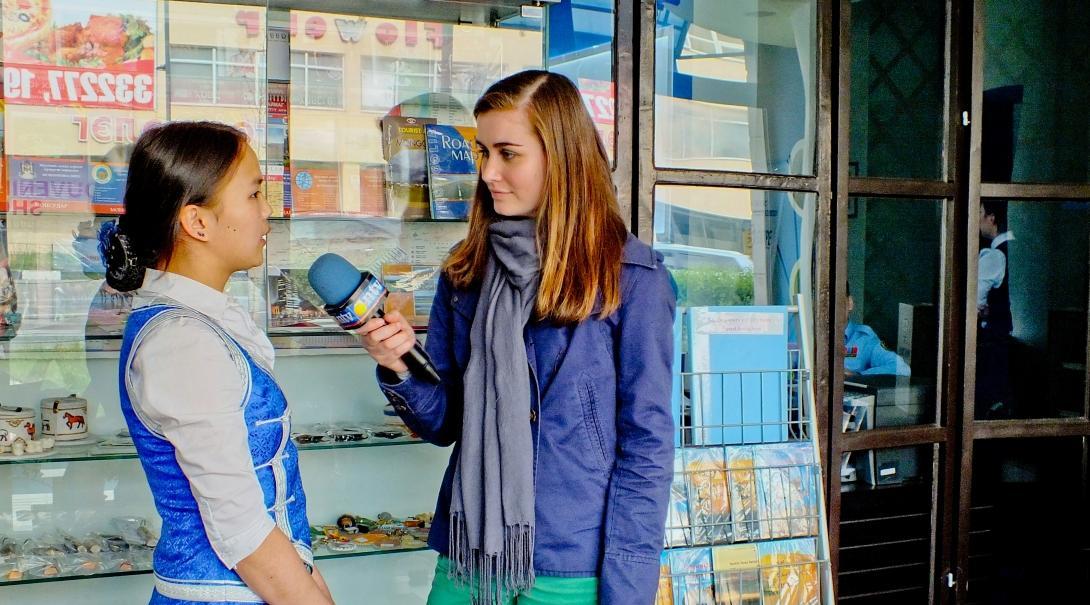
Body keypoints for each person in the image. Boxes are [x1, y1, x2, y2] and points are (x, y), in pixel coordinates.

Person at [357, 70, 676, 605]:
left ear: (563, 156)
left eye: (509, 154)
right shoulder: (467, 271)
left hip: (572, 563)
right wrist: (398, 365)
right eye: (483, 152)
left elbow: (646, 448)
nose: (488, 173)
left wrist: (627, 588)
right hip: (469, 554)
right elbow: (445, 422)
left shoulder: (632, 279)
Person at [101, 121, 332, 604]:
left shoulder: (205, 322)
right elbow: (242, 529)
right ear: (197, 222)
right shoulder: (182, 342)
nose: (268, 211)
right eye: (253, 195)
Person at [976, 200, 1014, 418]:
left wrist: (985, 310)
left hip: (991, 339)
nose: (977, 218)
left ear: (991, 218)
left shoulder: (995, 255)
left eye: (980, 212)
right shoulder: (1004, 250)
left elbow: (974, 300)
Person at [844, 284, 910, 377]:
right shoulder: (816, 338)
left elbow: (901, 368)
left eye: (836, 301)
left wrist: (856, 375)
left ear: (849, 303)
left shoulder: (864, 338)